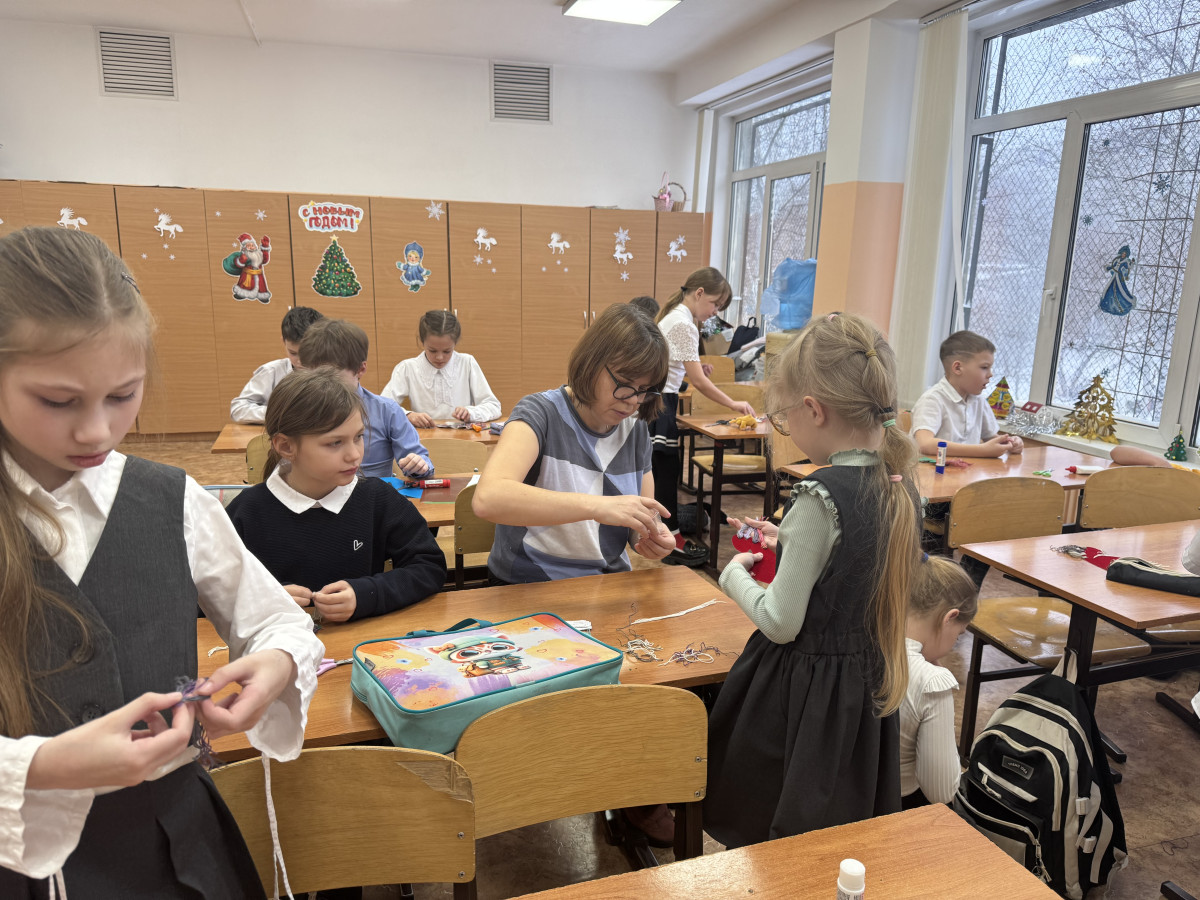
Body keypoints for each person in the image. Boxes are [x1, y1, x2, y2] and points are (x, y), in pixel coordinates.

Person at [0, 226, 324, 896]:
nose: (96, 430)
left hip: (173, 851)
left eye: (123, 395)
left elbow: (278, 622)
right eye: (57, 401)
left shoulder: (172, 500)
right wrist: (44, 767)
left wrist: (275, 663)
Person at [704, 311, 920, 848]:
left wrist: (731, 576)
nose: (788, 432)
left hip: (805, 694)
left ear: (814, 410)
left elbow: (780, 622)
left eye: (784, 420)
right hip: (864, 687)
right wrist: (790, 542)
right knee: (839, 825)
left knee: (780, 827)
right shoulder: (900, 485)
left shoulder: (819, 494)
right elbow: (856, 562)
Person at [472, 303, 676, 585]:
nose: (632, 401)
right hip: (529, 583)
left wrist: (652, 535)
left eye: (644, 390)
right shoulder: (540, 413)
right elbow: (488, 498)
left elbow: (641, 517)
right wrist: (597, 507)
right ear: (591, 363)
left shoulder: (636, 428)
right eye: (625, 383)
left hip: (605, 584)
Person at [226, 368, 446, 623]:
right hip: (274, 644)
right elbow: (206, 595)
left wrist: (368, 594)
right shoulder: (246, 512)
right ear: (286, 446)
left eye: (359, 437)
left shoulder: (377, 498)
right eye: (335, 443)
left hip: (360, 641)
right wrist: (262, 601)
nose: (355, 455)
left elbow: (429, 566)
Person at [651, 268, 755, 567]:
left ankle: (664, 535)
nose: (714, 313)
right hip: (661, 404)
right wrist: (733, 403)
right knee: (665, 476)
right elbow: (699, 382)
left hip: (659, 400)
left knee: (662, 474)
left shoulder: (674, 317)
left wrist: (694, 371)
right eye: (714, 304)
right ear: (699, 293)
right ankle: (671, 541)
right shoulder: (684, 324)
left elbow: (672, 369)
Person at [299, 318, 433, 479]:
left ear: (360, 369)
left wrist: (418, 464)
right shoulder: (299, 409)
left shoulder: (386, 410)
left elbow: (419, 459)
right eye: (313, 376)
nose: (321, 384)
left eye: (331, 376)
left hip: (372, 490)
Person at [901, 554, 977, 808]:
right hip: (896, 807)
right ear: (949, 617)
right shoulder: (931, 681)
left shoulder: (858, 646)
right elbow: (941, 791)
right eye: (958, 635)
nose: (953, 644)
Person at [910, 330, 1024, 458]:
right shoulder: (932, 399)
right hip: (931, 470)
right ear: (958, 368)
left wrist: (1010, 443)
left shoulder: (979, 400)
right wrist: (981, 450)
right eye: (984, 367)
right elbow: (925, 444)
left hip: (965, 469)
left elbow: (991, 438)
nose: (990, 374)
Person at [381, 310, 501, 427]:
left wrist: (471, 413)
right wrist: (408, 415)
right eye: (432, 351)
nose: (440, 357)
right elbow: (382, 406)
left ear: (455, 343)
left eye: (447, 351)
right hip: (424, 436)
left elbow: (493, 406)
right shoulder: (407, 368)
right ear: (422, 342)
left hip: (462, 437)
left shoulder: (467, 363)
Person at [230, 304, 324, 423]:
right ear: (284, 342)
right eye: (293, 353)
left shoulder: (335, 370)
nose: (300, 361)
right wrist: (280, 414)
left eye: (308, 353)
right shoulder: (272, 371)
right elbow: (238, 409)